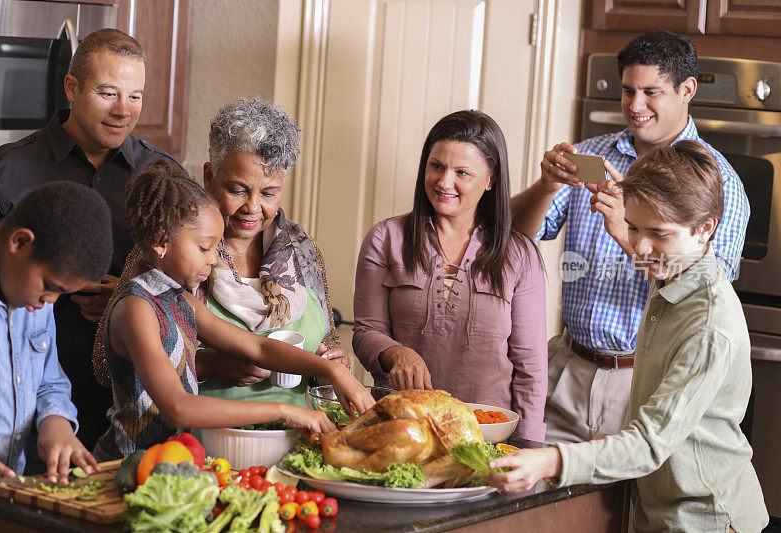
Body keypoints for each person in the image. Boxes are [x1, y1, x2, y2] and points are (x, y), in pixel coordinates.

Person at [486, 141, 768, 533]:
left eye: (660, 234)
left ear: (706, 229)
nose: (642, 247)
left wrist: (549, 460)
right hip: (661, 506)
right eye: (634, 228)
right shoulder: (674, 273)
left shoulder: (709, 325)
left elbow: (650, 445)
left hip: (707, 518)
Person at [509, 30, 749, 443]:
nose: (635, 106)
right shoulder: (592, 157)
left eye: (651, 92)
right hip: (568, 371)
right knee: (539, 499)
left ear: (686, 89)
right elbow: (515, 236)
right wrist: (545, 186)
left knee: (630, 507)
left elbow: (705, 295)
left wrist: (626, 231)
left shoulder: (719, 183)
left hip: (650, 382)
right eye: (627, 91)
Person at [92, 160, 374, 460]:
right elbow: (178, 408)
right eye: (204, 248)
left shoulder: (180, 300)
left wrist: (331, 370)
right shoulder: (137, 308)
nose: (214, 260)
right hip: (123, 464)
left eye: (217, 248)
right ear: (162, 242)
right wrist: (286, 411)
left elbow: (258, 347)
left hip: (167, 461)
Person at [0, 29, 180, 451]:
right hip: (22, 417)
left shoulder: (164, 178)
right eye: (109, 93)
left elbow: (193, 287)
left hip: (135, 417)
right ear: (72, 87)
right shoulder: (2, 174)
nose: (123, 110)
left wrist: (131, 301)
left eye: (136, 96)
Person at [353, 110, 548, 444]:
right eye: (436, 166)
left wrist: (528, 446)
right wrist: (395, 352)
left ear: (491, 180)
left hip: (487, 438)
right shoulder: (385, 238)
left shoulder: (519, 254)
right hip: (401, 430)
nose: (444, 182)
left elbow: (530, 368)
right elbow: (366, 332)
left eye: (462, 172)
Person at [196, 96, 348, 408]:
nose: (252, 207)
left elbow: (326, 342)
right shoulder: (179, 243)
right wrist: (207, 364)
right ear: (209, 177)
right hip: (202, 445)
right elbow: (108, 364)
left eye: (268, 193)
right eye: (237, 190)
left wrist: (333, 366)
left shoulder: (301, 251)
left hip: (293, 437)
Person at [0, 181, 113, 488]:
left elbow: (48, 381)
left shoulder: (30, 295)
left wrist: (56, 424)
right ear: (20, 242)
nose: (50, 302)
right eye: (50, 287)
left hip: (6, 493)